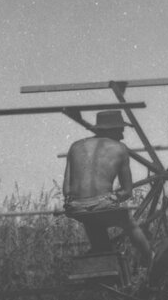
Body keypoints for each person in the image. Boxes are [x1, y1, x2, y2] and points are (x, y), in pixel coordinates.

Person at [63, 110, 151, 261]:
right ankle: (150, 260)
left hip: (75, 207)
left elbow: (66, 190)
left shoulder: (75, 146)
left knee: (92, 220)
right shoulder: (120, 148)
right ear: (111, 129)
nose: (122, 136)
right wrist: (112, 198)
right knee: (130, 225)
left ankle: (103, 258)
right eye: (121, 130)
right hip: (102, 204)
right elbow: (127, 191)